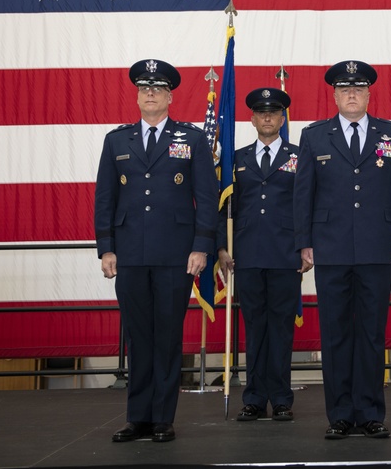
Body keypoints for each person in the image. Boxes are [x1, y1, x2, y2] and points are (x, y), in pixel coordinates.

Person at [94, 59, 219, 443]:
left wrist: (201, 247)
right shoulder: (117, 140)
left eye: (158, 89)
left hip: (175, 254)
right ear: (136, 96)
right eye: (144, 88)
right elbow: (105, 198)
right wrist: (106, 248)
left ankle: (163, 417)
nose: (150, 94)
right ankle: (138, 418)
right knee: (136, 336)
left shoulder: (192, 138)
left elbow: (206, 196)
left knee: (166, 336)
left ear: (169, 96)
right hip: (129, 252)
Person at [294, 60, 391, 440]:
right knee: (335, 333)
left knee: (371, 334)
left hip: (378, 246)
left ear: (368, 94)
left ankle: (371, 411)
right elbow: (303, 195)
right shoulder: (315, 136)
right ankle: (341, 414)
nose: (351, 94)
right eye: (345, 89)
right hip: (329, 248)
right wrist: (304, 242)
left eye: (358, 89)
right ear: (334, 95)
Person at [214, 88, 309, 423]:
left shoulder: (301, 156)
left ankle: (281, 399)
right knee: (254, 330)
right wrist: (221, 248)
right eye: (261, 113)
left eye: (273, 113)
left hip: (286, 257)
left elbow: (308, 205)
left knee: (281, 331)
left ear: (282, 119)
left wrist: (307, 247)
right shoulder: (236, 159)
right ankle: (254, 398)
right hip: (248, 257)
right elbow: (223, 207)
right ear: (252, 119)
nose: (267, 118)